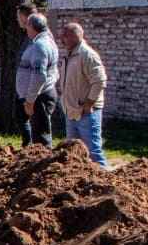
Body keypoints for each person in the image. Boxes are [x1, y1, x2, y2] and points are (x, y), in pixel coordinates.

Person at [59, 22, 109, 168]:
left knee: (93, 153)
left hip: (86, 113)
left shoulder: (87, 54)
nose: (62, 39)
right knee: (73, 152)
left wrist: (89, 104)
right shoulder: (70, 55)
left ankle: (104, 178)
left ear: (76, 36)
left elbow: (99, 81)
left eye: (65, 36)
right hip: (71, 111)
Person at [15, 12, 60, 148]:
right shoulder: (47, 41)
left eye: (27, 25)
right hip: (40, 94)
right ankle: (30, 150)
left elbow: (39, 76)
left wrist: (30, 100)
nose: (26, 29)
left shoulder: (40, 45)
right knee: (38, 134)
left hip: (39, 97)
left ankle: (43, 160)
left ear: (32, 26)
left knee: (41, 139)